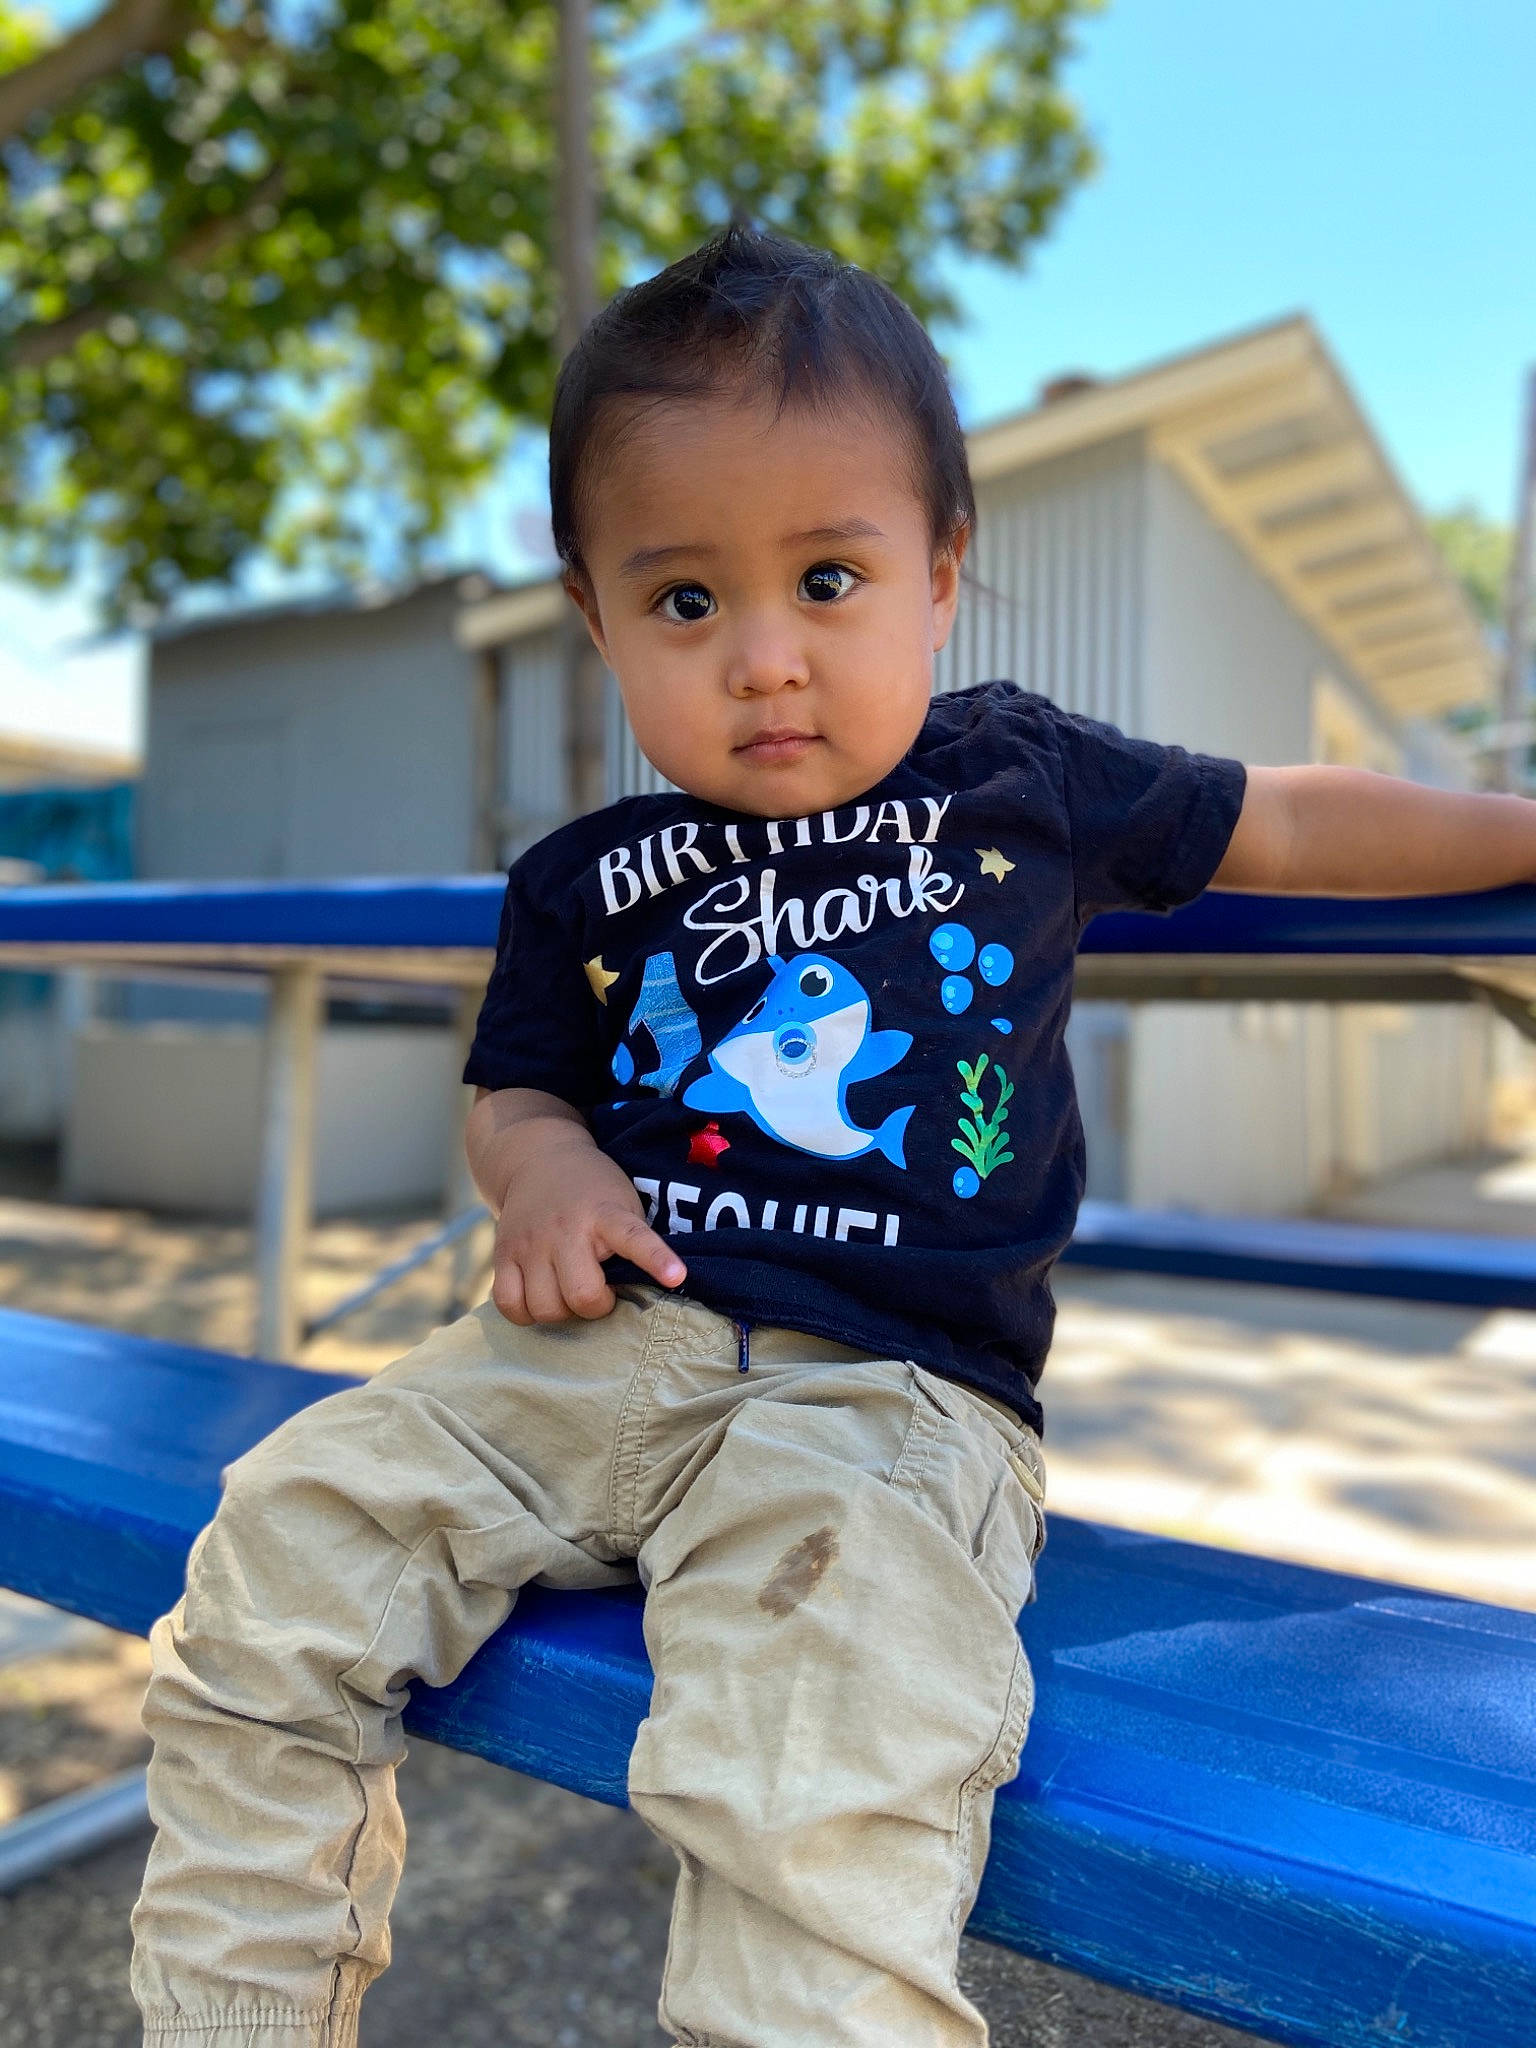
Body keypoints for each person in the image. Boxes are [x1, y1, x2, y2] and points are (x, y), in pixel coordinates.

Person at [130, 226, 1536, 2048]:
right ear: (599, 619)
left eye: (828, 577)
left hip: (883, 1412)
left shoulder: (1017, 778)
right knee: (272, 1559)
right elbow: (517, 1089)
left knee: (817, 1773)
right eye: (688, 603)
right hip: (565, 1365)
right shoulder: (584, 880)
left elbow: (1291, 818)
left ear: (939, 576)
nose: (766, 659)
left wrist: (1514, 833)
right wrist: (544, 1168)